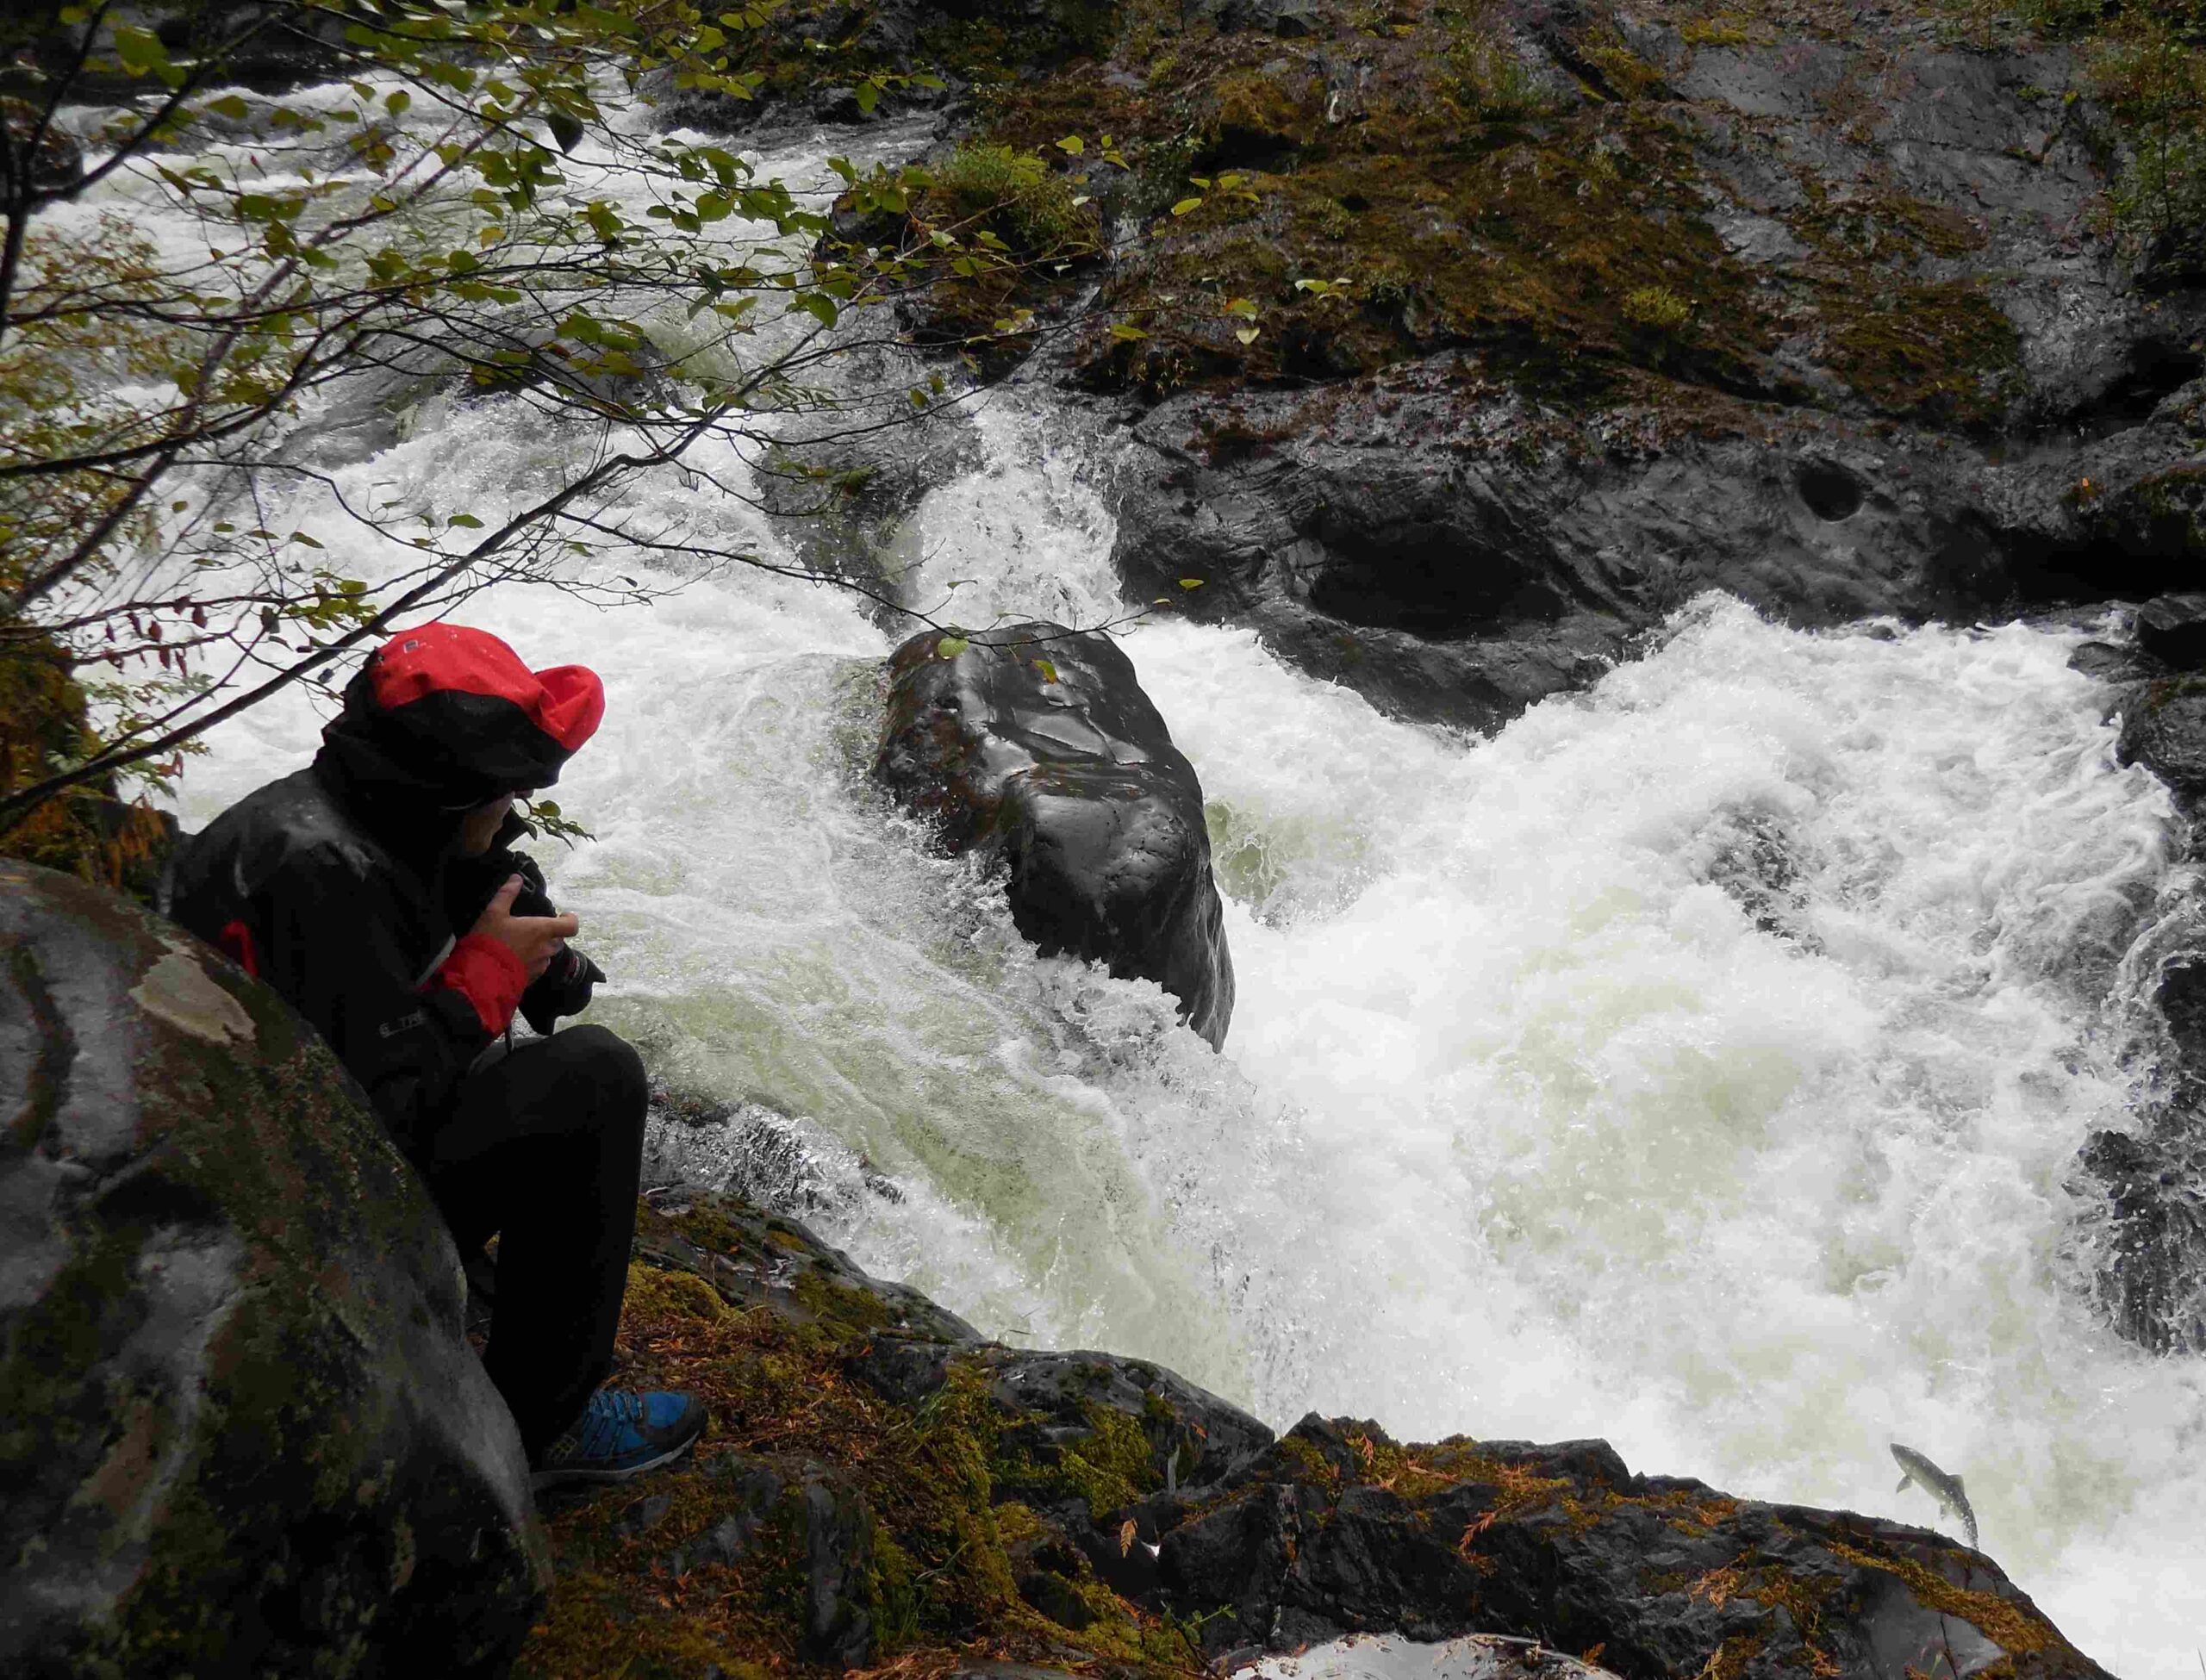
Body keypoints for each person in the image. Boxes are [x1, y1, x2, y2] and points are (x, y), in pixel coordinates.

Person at [164, 621, 706, 1489]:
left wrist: (530, 953)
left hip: (247, 1174)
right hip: (275, 1233)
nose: (511, 811)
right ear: (446, 796)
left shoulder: (342, 814)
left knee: (542, 1067)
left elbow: (386, 1029)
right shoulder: (323, 879)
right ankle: (538, 1431)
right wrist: (483, 979)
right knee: (595, 1079)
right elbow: (374, 1123)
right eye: (502, 794)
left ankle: (477, 1327)